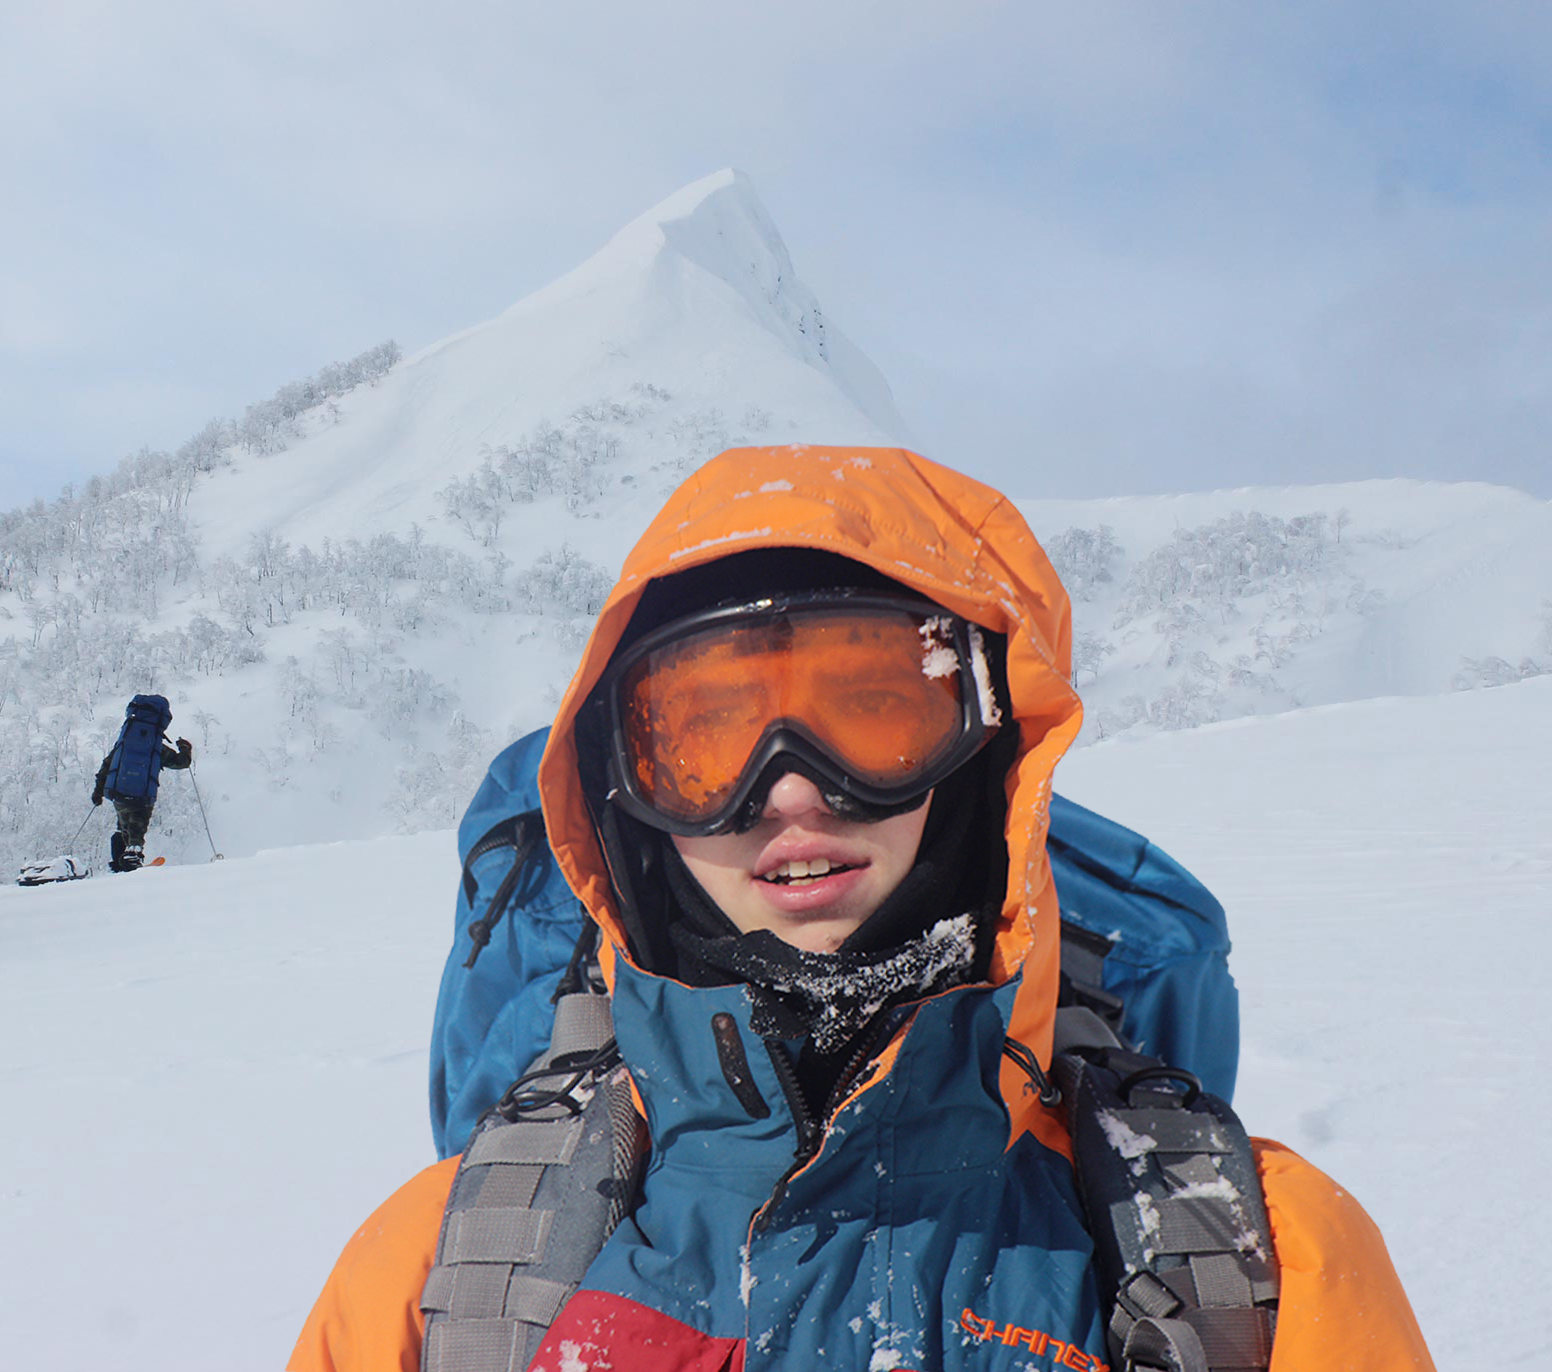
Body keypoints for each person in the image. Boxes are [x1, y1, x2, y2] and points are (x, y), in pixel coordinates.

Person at [289, 446, 1433, 1371]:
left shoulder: (1256, 1263)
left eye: (878, 706)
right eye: (704, 738)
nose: (788, 787)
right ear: (629, 799)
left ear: (986, 750)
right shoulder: (447, 1275)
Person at [90, 693, 193, 872]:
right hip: (143, 795)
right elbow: (181, 763)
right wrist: (185, 748)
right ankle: (133, 857)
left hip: (119, 793)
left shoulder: (124, 743)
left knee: (123, 827)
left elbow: (106, 767)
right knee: (137, 828)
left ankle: (118, 863)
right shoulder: (155, 747)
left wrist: (98, 792)